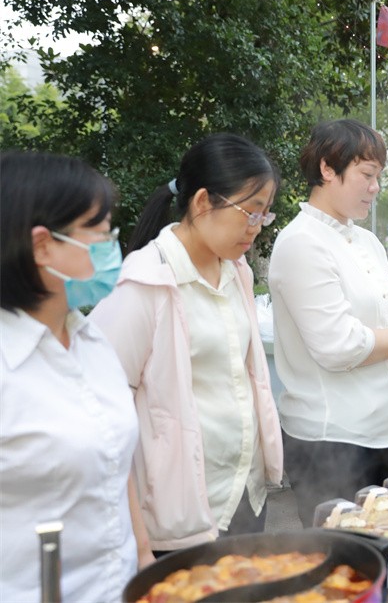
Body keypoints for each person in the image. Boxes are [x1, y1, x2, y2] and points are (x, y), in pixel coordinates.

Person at [90, 134, 284, 552]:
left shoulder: (237, 271)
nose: (256, 227)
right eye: (250, 212)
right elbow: (102, 409)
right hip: (178, 514)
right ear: (201, 202)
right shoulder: (144, 283)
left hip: (244, 494)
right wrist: (138, 542)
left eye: (264, 214)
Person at [1, 152, 150, 601]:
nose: (112, 247)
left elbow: (114, 460)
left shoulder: (91, 340)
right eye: (101, 233)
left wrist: (145, 558)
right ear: (43, 246)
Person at [269, 120, 388, 526]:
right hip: (332, 438)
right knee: (344, 554)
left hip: (383, 430)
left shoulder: (367, 242)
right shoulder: (301, 242)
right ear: (328, 168)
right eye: (366, 175)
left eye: (378, 177)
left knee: (382, 543)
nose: (375, 188)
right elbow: (338, 346)